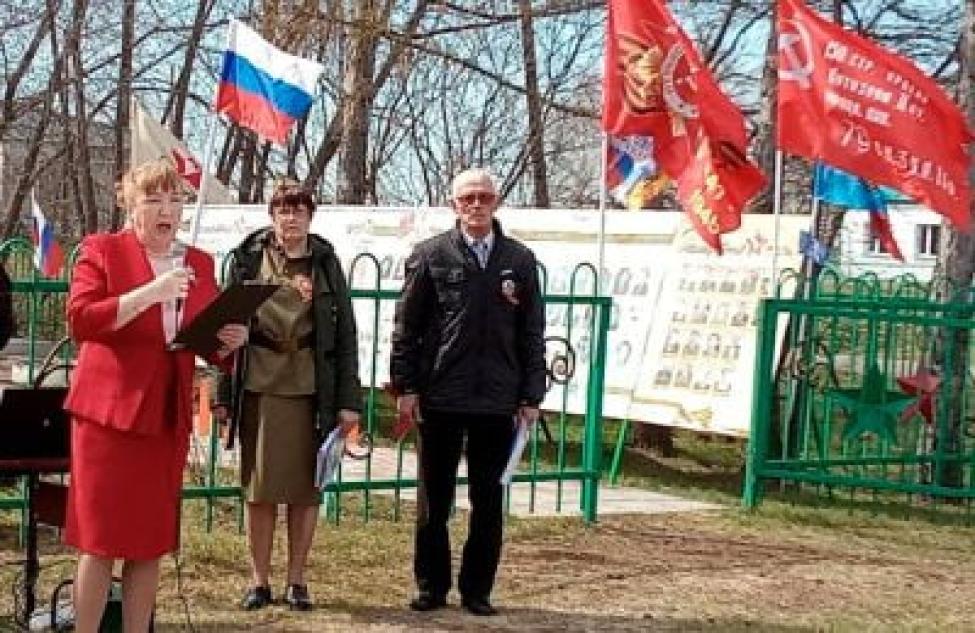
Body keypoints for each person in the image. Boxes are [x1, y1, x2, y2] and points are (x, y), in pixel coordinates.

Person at [63, 159, 248, 633]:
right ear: (130, 204)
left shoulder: (200, 263)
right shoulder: (101, 250)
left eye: (176, 199)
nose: (167, 209)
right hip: (108, 419)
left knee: (149, 542)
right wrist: (151, 292)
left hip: (164, 418)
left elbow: (199, 341)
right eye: (154, 199)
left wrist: (227, 342)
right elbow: (83, 320)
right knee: (100, 541)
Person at [391, 168, 546, 616]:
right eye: (467, 198)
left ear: (496, 202)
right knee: (432, 501)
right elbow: (408, 327)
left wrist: (531, 395)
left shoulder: (519, 260)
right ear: (453, 204)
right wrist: (406, 386)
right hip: (440, 396)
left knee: (489, 501)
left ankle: (477, 590)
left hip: (497, 400)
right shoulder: (430, 255)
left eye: (483, 196)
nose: (475, 205)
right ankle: (431, 587)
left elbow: (531, 332)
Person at [214, 180, 361, 611]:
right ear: (271, 215)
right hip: (258, 383)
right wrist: (224, 393)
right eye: (283, 209)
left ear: (310, 215)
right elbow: (225, 328)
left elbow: (346, 334)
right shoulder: (248, 258)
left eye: (298, 209)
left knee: (304, 490)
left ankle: (297, 579)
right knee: (259, 490)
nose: (291, 217)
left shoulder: (325, 263)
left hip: (311, 388)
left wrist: (349, 400)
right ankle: (258, 580)